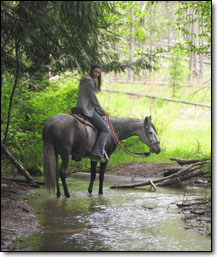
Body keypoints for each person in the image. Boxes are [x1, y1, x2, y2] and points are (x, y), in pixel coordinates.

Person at [77, 64, 110, 163]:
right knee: (105, 129)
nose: (97, 74)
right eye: (95, 71)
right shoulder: (90, 82)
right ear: (91, 71)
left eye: (99, 73)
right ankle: (98, 153)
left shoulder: (83, 79)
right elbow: (93, 100)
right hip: (87, 110)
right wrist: (103, 111)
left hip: (79, 107)